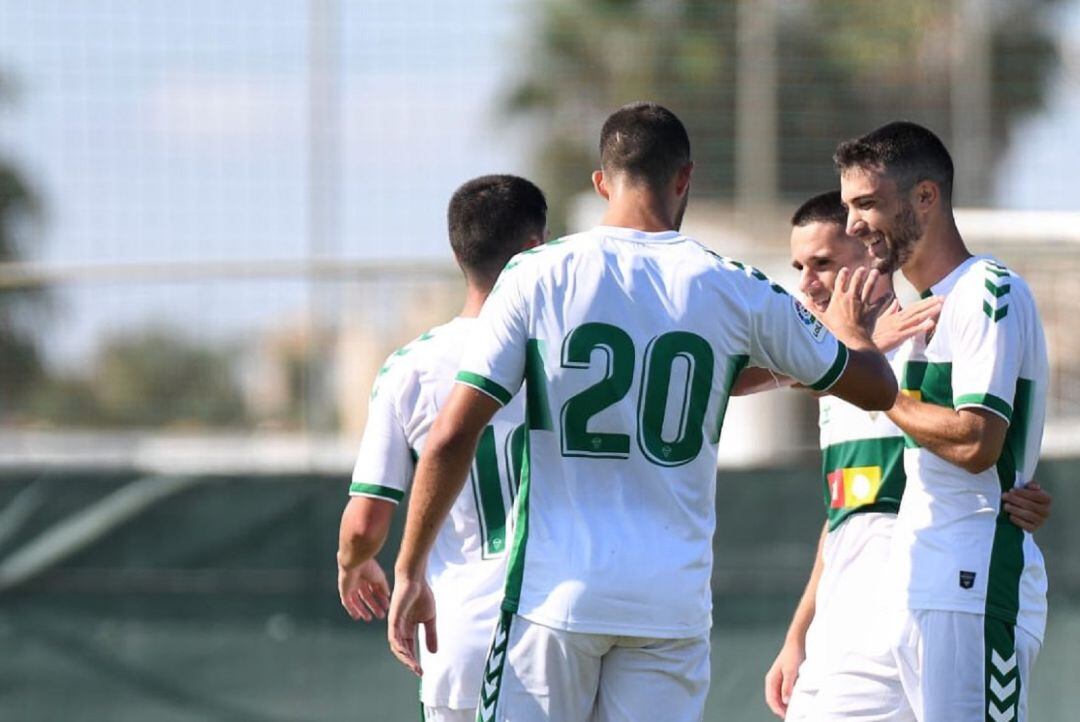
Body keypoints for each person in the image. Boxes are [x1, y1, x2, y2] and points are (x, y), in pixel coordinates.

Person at [387, 101, 898, 722]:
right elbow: (870, 386)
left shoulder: (537, 275)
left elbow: (449, 437)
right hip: (669, 607)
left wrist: (411, 568)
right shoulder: (731, 285)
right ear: (684, 177)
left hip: (555, 601)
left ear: (601, 182)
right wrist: (854, 334)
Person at [759, 190, 1052, 721]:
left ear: (873, 252)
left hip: (926, 604)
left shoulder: (933, 335)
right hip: (840, 631)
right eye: (799, 265)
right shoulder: (829, 371)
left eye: (823, 264)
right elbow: (845, 514)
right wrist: (799, 632)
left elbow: (979, 446)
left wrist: (1019, 498)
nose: (805, 282)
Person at [336, 174, 547, 722]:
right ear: (535, 249)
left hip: (461, 640)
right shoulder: (573, 353)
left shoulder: (410, 367)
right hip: (568, 633)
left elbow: (364, 524)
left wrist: (353, 563)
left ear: (458, 253)